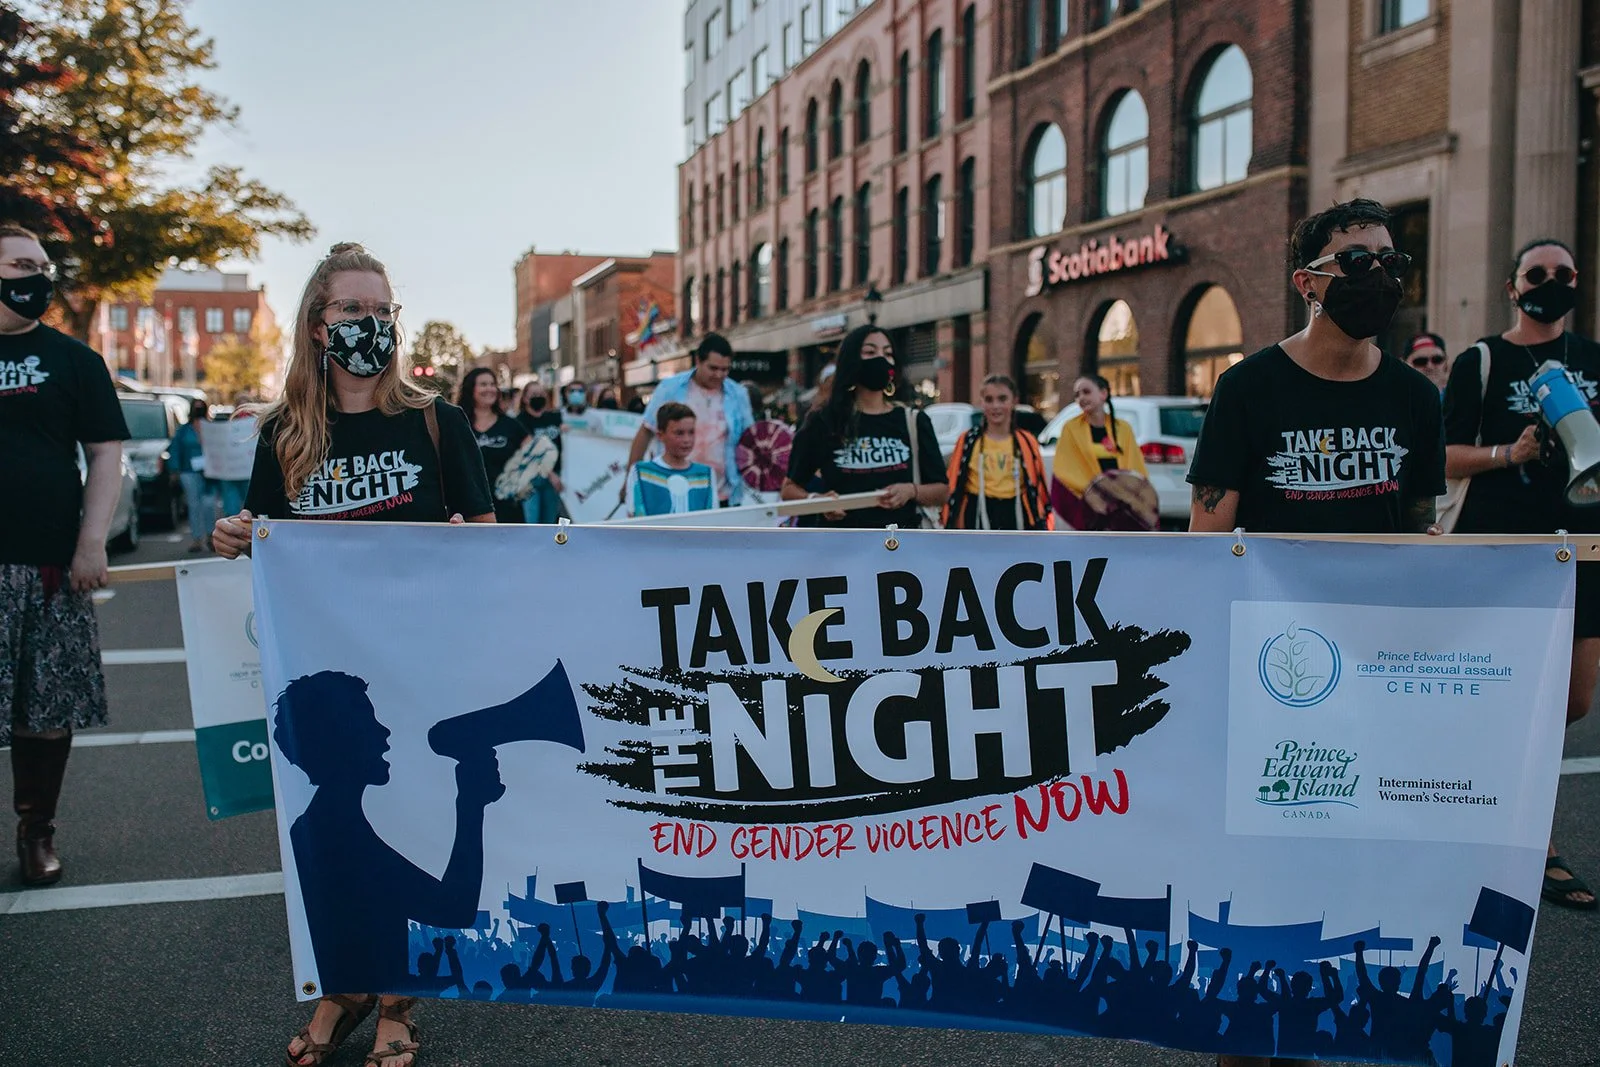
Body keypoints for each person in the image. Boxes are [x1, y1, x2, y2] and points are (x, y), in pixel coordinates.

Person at [210, 242, 493, 1067]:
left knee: (403, 818)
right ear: (316, 324)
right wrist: (231, 535)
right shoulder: (286, 433)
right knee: (335, 833)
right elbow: (266, 540)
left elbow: (488, 536)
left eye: (382, 310)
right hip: (329, 673)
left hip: (419, 660)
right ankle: (348, 981)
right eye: (352, 310)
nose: (371, 324)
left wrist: (456, 546)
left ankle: (399, 992)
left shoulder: (435, 421)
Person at [1187, 198, 1445, 1067]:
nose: (1379, 274)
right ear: (1309, 281)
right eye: (1356, 260)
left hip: (1373, 683)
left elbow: (1416, 529)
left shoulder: (1416, 398)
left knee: (1345, 879)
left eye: (1388, 258)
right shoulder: (1247, 387)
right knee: (1263, 888)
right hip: (1273, 683)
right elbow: (1207, 543)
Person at [1441, 236, 1599, 910]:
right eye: (1538, 273)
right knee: (1512, 696)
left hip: (1582, 549)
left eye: (1564, 272)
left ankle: (1490, 800)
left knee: (1575, 700)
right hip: (1503, 553)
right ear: (1513, 285)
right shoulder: (1484, 360)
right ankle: (1533, 840)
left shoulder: (1592, 358)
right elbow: (1443, 456)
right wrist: (1511, 451)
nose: (1552, 282)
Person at [0, 222, 129, 887]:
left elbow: (106, 452)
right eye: (22, 265)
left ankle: (35, 830)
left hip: (51, 567)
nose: (37, 277)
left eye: (42, 266)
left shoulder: (76, 360)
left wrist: (90, 541)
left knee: (46, 709)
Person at [781, 324, 948, 528]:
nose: (880, 359)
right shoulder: (824, 421)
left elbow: (942, 491)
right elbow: (789, 490)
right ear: (851, 360)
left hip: (902, 544)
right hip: (843, 545)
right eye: (870, 352)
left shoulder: (913, 420)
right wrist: (817, 501)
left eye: (888, 353)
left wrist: (911, 490)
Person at [628, 333, 755, 507]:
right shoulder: (670, 388)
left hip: (724, 494)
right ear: (698, 361)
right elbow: (646, 431)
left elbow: (750, 440)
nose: (719, 375)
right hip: (671, 487)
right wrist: (630, 480)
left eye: (725, 369)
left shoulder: (738, 394)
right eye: (713, 368)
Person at [942, 374, 1051, 530]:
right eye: (989, 400)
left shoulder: (1026, 441)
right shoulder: (968, 440)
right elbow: (953, 484)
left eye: (1002, 399)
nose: (995, 406)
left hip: (1017, 512)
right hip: (976, 512)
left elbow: (1038, 485)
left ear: (1014, 401)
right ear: (982, 403)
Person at [1050, 373, 1154, 530]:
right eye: (1077, 395)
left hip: (1121, 505)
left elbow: (1135, 466)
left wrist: (1125, 495)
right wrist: (1098, 494)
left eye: (1086, 392)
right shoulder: (1070, 429)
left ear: (1103, 394)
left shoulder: (1123, 429)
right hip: (1089, 505)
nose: (1081, 398)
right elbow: (1065, 469)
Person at [458, 366, 528, 525]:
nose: (489, 389)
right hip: (470, 505)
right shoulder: (458, 422)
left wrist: (523, 479)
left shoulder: (510, 424)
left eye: (492, 384)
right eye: (483, 384)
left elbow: (535, 452)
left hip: (507, 504)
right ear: (471, 389)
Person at [627, 402, 716, 517]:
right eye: (679, 433)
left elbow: (712, 517)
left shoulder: (706, 474)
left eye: (691, 432)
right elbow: (634, 515)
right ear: (660, 435)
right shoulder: (641, 472)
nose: (687, 440)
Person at [513, 381, 564, 524]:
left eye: (541, 394)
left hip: (553, 478)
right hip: (531, 478)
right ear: (524, 398)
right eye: (533, 394)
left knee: (549, 523)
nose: (538, 397)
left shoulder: (555, 418)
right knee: (531, 522)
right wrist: (551, 475)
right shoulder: (519, 421)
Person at [169, 398, 212, 553]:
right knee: (194, 505)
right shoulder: (184, 430)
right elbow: (174, 449)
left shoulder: (212, 428)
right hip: (189, 471)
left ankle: (211, 536)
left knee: (209, 504)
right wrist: (175, 469)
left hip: (210, 473)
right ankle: (197, 539)